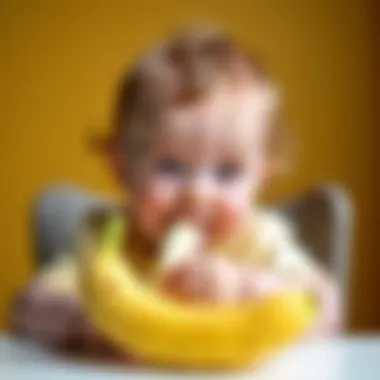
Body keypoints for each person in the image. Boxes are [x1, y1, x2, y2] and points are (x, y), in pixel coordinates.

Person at [12, 27, 341, 361]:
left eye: (227, 172)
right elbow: (27, 307)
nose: (198, 194)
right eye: (171, 167)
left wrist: (248, 288)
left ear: (262, 176)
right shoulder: (108, 239)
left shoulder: (257, 240)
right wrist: (88, 319)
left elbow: (326, 306)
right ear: (122, 167)